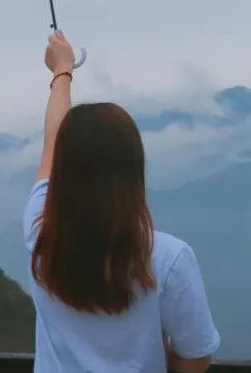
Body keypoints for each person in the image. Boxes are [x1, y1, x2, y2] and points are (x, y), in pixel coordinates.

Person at [23, 32, 220, 373]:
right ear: (133, 169)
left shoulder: (40, 235)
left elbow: (52, 141)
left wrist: (62, 73)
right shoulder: (168, 260)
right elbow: (196, 355)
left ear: (64, 169)